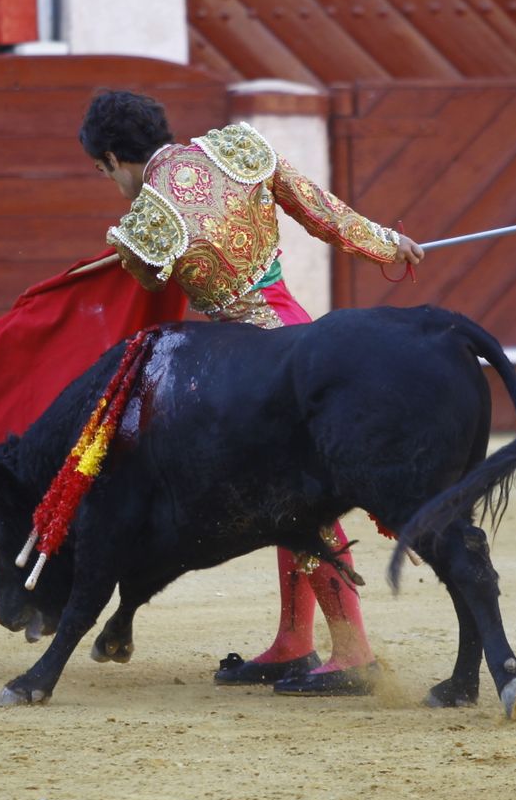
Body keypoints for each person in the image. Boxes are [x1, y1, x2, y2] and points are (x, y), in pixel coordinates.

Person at [78, 89, 425, 697]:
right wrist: (387, 242)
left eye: (103, 174)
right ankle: (294, 641)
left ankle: (352, 650)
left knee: (299, 506)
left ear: (111, 158)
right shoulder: (236, 147)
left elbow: (142, 287)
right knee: (290, 501)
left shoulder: (144, 224)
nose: (110, 185)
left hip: (252, 368)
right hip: (297, 329)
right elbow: (326, 215)